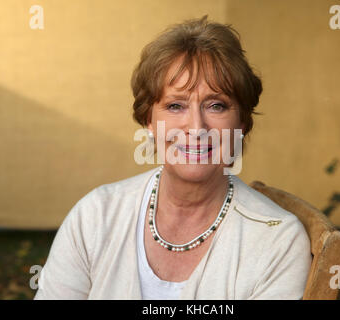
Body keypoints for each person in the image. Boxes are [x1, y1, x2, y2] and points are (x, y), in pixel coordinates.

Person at [34, 16, 311, 300]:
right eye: (175, 105)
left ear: (241, 124)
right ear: (149, 121)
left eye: (216, 105)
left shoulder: (278, 240)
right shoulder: (95, 217)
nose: (196, 127)